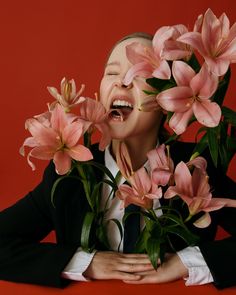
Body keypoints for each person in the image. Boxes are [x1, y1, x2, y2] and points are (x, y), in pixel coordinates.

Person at [0, 32, 236, 289]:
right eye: (112, 73)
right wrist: (83, 262)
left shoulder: (196, 168)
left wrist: (185, 261)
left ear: (170, 99)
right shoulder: (71, 175)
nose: (122, 82)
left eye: (140, 72)